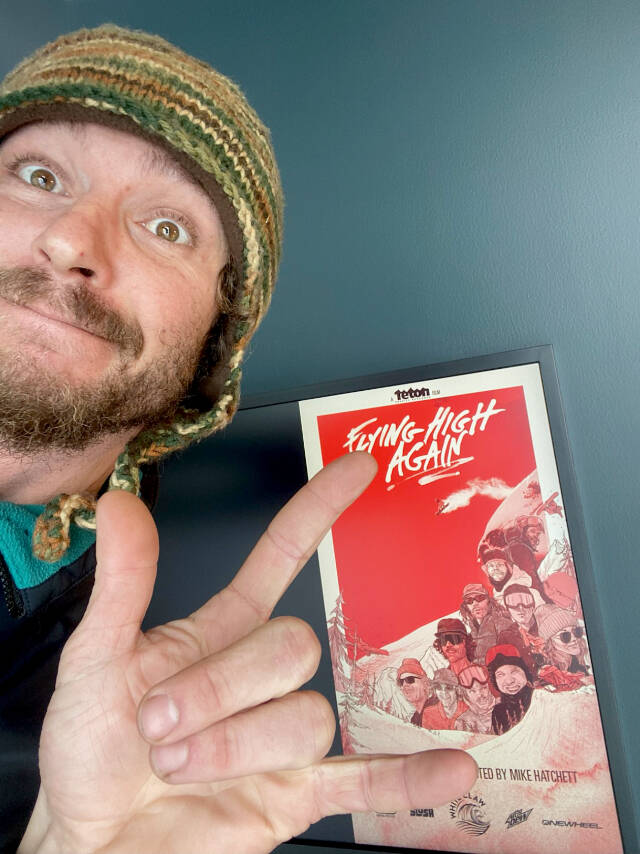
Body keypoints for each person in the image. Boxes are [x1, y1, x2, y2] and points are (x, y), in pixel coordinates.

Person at [0, 25, 477, 853]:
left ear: (211, 352)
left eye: (167, 226)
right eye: (39, 176)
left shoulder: (101, 703)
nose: (73, 240)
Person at [458, 582, 513, 664]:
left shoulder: (503, 625)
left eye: (479, 598)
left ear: (488, 601)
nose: (475, 604)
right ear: (466, 606)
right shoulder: (470, 636)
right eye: (469, 601)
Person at [485, 644, 534, 735]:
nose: (509, 681)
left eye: (514, 672)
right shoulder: (498, 712)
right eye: (500, 675)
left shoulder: (540, 699)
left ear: (525, 672)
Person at [454, 664, 496, 734]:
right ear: (466, 695)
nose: (480, 695)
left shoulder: (504, 707)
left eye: (484, 688)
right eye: (473, 691)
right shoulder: (463, 722)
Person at [396, 658, 433, 726]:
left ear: (425, 683)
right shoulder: (414, 719)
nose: (405, 685)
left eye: (410, 679)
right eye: (401, 682)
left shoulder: (436, 709)